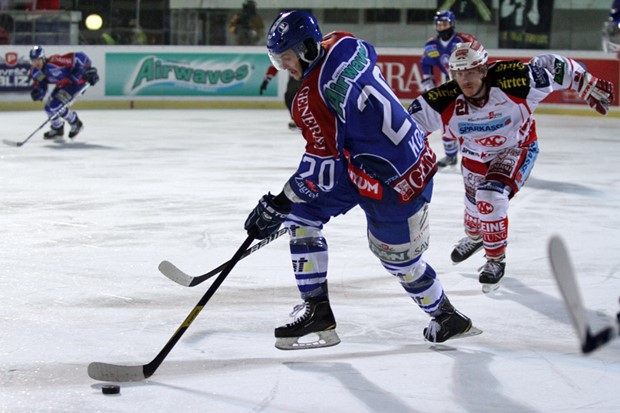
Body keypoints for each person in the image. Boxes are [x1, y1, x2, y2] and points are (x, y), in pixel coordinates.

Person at [244, 10, 479, 350]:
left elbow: (320, 171)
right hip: (401, 157)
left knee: (401, 262)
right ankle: (317, 311)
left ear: (308, 49)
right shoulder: (345, 41)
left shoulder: (309, 99)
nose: (287, 69)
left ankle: (446, 316)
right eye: (279, 62)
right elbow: (367, 53)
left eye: (288, 59)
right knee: (303, 216)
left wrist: (278, 202)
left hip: (394, 184)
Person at [408, 41, 614, 293]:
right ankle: (475, 237)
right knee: (473, 219)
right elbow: (405, 130)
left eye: (471, 71)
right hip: (474, 156)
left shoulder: (514, 81)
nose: (465, 79)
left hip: (516, 149)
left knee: (490, 196)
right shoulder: (441, 101)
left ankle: (495, 259)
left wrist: (583, 80)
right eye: (458, 73)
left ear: (484, 70)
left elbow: (551, 65)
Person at [420, 10, 477, 168]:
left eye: (445, 23)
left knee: (477, 119)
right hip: (452, 86)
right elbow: (425, 63)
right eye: (439, 24)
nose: (442, 27)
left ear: (452, 23)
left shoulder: (465, 40)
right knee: (447, 118)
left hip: (472, 84)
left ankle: (480, 152)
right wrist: (428, 83)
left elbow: (480, 59)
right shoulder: (432, 45)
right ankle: (451, 155)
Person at [28, 46, 98, 140]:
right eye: (33, 60)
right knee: (48, 109)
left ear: (43, 58)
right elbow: (42, 83)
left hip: (76, 84)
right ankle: (58, 129)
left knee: (55, 107)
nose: (36, 63)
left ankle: (76, 123)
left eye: (38, 60)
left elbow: (79, 57)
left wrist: (88, 69)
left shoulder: (55, 61)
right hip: (63, 84)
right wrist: (40, 92)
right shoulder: (35, 72)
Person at [259, 65, 302, 130]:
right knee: (290, 97)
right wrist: (266, 80)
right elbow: (275, 65)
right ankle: (297, 120)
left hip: (308, 76)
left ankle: (302, 120)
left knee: (299, 97)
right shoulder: (285, 56)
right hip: (295, 78)